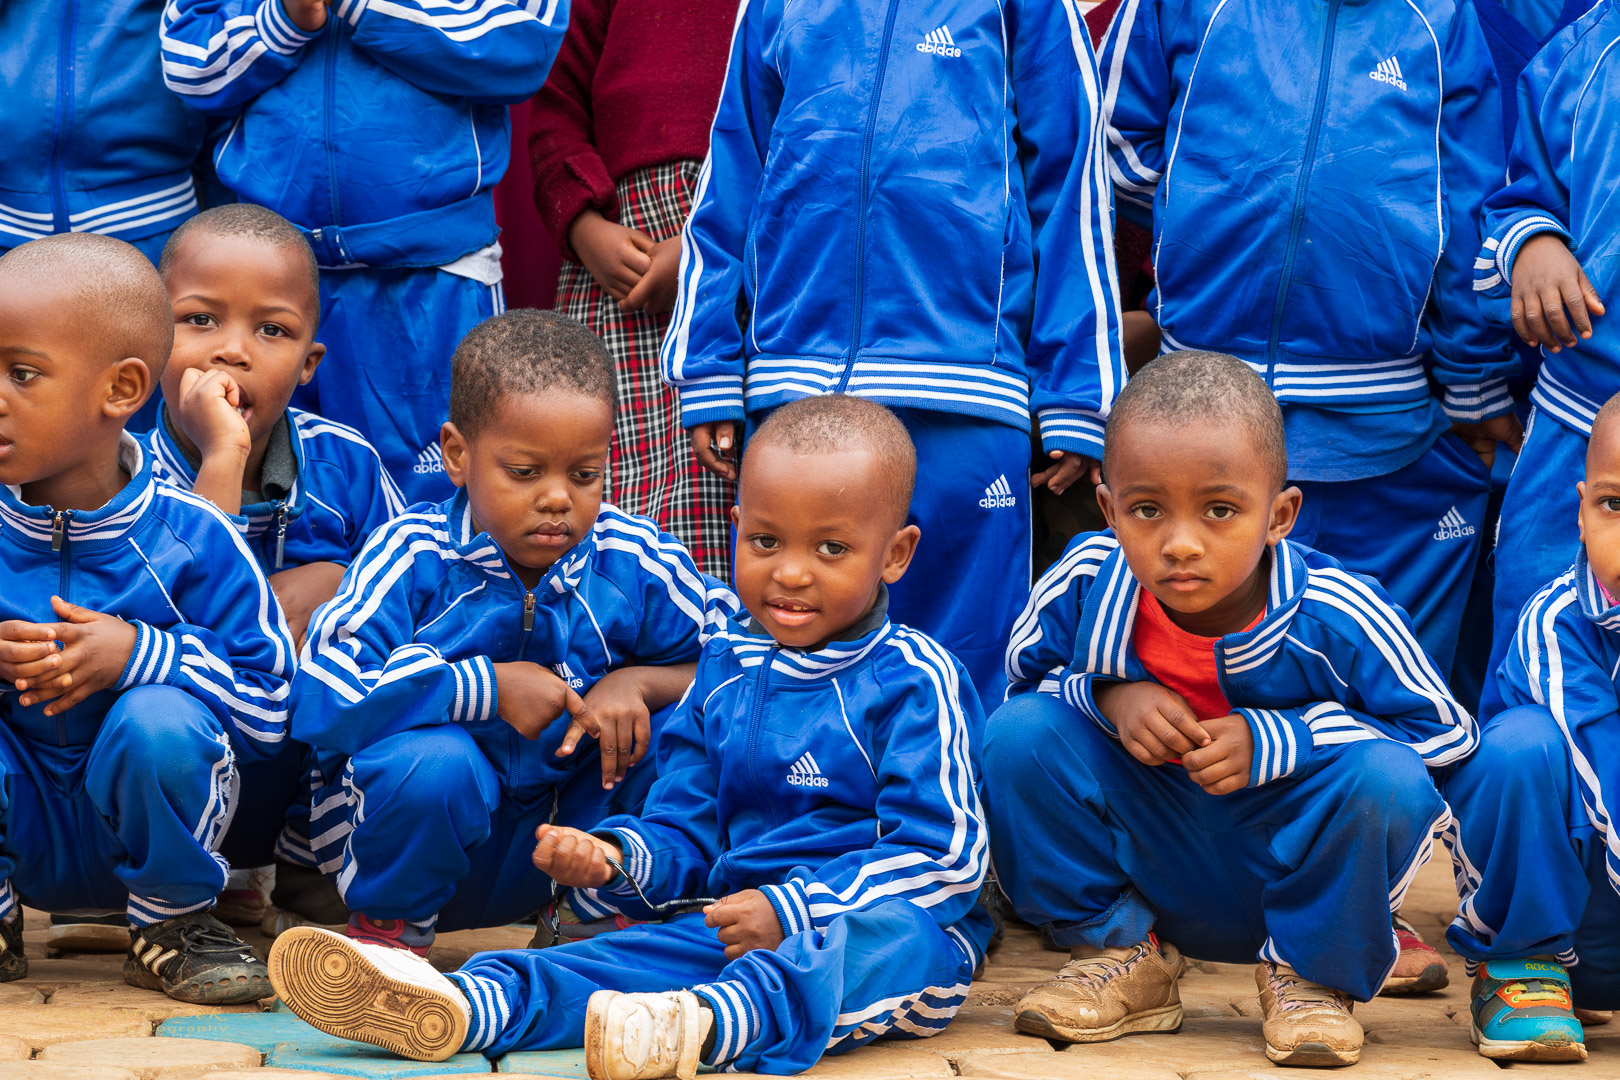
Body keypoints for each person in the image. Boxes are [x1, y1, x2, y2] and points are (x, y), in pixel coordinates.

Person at [266, 394, 990, 1080]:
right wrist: (616, 859)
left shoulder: (914, 679)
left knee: (903, 945)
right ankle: (472, 1003)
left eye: (831, 548)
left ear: (895, 554)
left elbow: (947, 860)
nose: (791, 573)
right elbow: (687, 828)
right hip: (732, 925)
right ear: (737, 526)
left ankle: (707, 1024)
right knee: (617, 959)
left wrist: (794, 911)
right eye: (766, 541)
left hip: (866, 928)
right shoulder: (727, 669)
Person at [986, 352, 1476, 1067]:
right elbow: (1019, 693)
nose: (1181, 544)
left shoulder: (1340, 613)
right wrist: (1109, 695)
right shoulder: (1087, 584)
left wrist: (1283, 738)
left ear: (1280, 516)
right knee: (1017, 736)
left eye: (1220, 510)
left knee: (1388, 779)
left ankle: (1309, 977)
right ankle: (1122, 957)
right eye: (1147, 510)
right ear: (1109, 511)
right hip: (1152, 858)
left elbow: (1445, 738)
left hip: (1289, 866)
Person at [660, 0, 1126, 700]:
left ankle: (955, 778)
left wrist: (1079, 391)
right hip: (797, 392)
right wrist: (709, 365)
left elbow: (1072, 179)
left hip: (966, 394)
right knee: (788, 668)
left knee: (965, 673)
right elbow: (733, 168)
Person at [286, 309, 736, 955]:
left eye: (584, 475)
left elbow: (743, 658)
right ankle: (389, 938)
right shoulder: (411, 556)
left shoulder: (631, 560)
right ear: (457, 455)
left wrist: (639, 684)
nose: (557, 498)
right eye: (525, 472)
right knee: (432, 763)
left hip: (563, 847)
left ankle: (588, 923)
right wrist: (485, 690)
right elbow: (321, 697)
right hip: (406, 845)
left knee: (673, 728)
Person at [1098, 0, 1511, 681]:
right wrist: (1196, 209)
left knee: (1373, 680)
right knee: (1187, 684)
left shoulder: (1441, 20)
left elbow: (1469, 206)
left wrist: (1474, 381)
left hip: (1375, 420)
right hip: (1195, 405)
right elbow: (1114, 136)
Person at [0, 233, 296, 1002]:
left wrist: (139, 656)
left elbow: (270, 708)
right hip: (26, 819)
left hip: (156, 834)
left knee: (161, 718)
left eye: (21, 374)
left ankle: (170, 929)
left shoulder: (195, 539)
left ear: (122, 388)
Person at [158, 0, 568, 502]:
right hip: (268, 279)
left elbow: (525, 44)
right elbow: (187, 65)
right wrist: (282, 18)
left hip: (434, 277)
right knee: (268, 490)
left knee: (447, 499)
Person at [145, 203, 407, 931]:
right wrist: (222, 458)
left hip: (298, 781)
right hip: (178, 759)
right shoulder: (121, 477)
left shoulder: (347, 466)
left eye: (272, 330)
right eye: (200, 320)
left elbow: (421, 595)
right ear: (151, 339)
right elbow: (176, 615)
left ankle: (310, 864)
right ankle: (184, 877)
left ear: (307, 363)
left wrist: (346, 589)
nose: (232, 351)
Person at [529, 0, 738, 580]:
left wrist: (708, 248)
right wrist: (583, 227)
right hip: (613, 264)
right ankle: (610, 626)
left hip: (741, 251)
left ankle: (719, 629)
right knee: (604, 476)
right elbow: (556, 108)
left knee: (723, 478)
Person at [1442, 391, 1620, 1064]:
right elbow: (1605, 765)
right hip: (1573, 921)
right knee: (1519, 748)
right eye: (1615, 505)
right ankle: (1520, 967)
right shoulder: (1558, 622)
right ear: (1580, 510)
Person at [1475, 0, 1615, 709]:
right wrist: (1533, 244)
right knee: (1529, 659)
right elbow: (1514, 198)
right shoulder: (1581, 56)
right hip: (1575, 430)